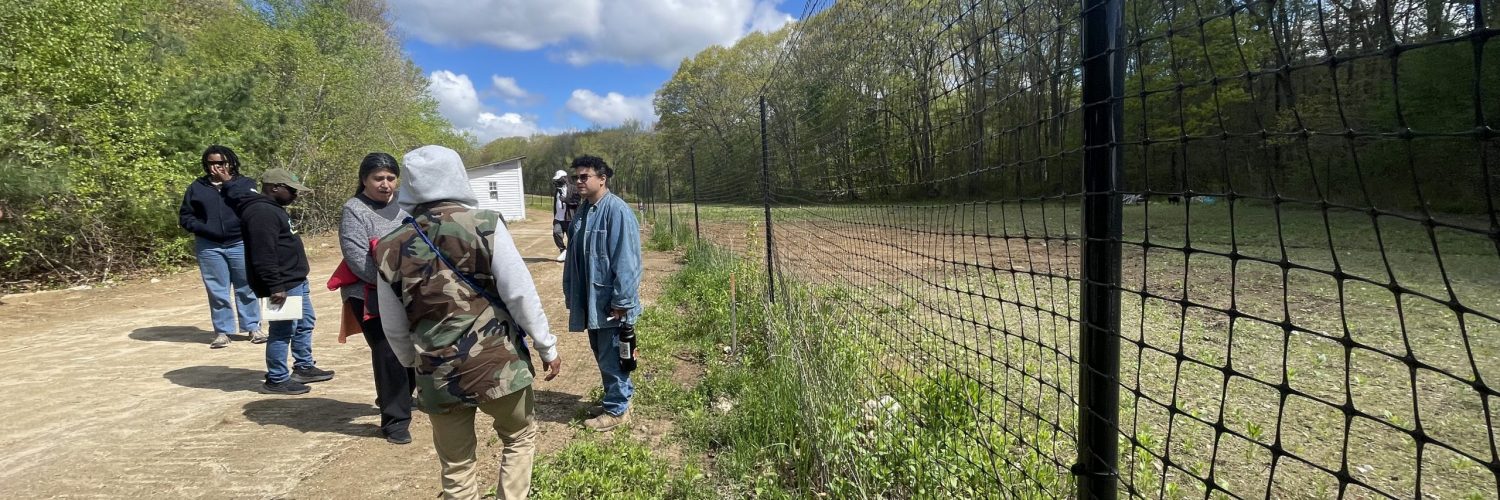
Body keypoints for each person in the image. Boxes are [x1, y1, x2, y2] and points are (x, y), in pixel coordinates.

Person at [375, 145, 562, 500]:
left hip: (436, 371)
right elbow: (520, 294)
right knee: (519, 437)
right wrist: (546, 346)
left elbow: (394, 324)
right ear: (457, 175)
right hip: (498, 366)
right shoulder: (486, 225)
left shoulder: (389, 245)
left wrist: (411, 364)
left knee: (457, 466)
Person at [222, 167, 336, 395]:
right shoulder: (261, 213)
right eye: (292, 190)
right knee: (282, 330)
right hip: (281, 285)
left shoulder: (273, 209)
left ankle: (303, 366)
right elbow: (263, 254)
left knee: (304, 323)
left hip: (294, 280)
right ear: (274, 188)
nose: (295, 195)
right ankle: (276, 378)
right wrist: (275, 286)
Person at [337, 152, 415, 444]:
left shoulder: (406, 209)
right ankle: (395, 421)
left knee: (412, 351)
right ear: (364, 180)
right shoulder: (354, 210)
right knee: (387, 353)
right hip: (369, 294)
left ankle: (399, 397)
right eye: (378, 178)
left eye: (390, 178)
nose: (385, 184)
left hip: (409, 291)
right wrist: (395, 285)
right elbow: (358, 259)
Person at [562, 155, 642, 432]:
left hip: (611, 303)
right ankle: (616, 400)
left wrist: (622, 301)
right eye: (576, 177)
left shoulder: (616, 210)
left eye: (584, 177)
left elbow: (627, 260)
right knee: (602, 353)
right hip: (592, 301)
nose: (579, 182)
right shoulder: (585, 210)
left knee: (614, 355)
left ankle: (618, 410)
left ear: (602, 179)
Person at [179, 145, 262, 348]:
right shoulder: (197, 187)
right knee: (217, 290)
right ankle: (223, 332)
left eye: (221, 163)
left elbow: (252, 203)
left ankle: (253, 327)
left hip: (240, 242)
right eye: (211, 163)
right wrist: (202, 228)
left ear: (231, 162)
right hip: (209, 246)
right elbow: (185, 216)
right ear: (206, 165)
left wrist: (227, 183)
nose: (216, 167)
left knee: (246, 286)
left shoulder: (244, 183)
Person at [550, 170, 579, 262]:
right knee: (556, 233)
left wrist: (565, 200)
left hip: (570, 218)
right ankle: (563, 250)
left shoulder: (574, 189)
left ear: (564, 178)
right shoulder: (557, 190)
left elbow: (576, 202)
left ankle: (572, 255)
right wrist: (555, 216)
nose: (557, 182)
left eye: (559, 179)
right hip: (558, 218)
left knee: (572, 237)